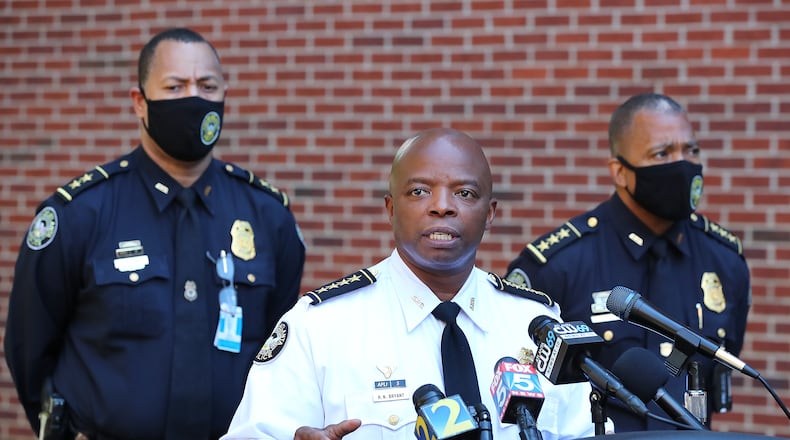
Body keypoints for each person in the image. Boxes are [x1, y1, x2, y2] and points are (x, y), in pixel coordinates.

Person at [4, 27, 305, 440]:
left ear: (224, 96)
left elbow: (278, 350)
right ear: (139, 102)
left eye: (207, 85)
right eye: (175, 85)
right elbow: (30, 350)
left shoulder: (268, 216)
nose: (194, 98)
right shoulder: (80, 214)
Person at [222, 128, 595, 440]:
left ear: (490, 213)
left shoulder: (535, 324)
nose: (442, 207)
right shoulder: (321, 327)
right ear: (390, 209)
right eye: (419, 191)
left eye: (464, 193)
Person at [504, 93, 751, 431]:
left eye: (690, 151)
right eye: (662, 153)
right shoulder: (559, 266)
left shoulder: (724, 261)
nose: (682, 164)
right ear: (620, 171)